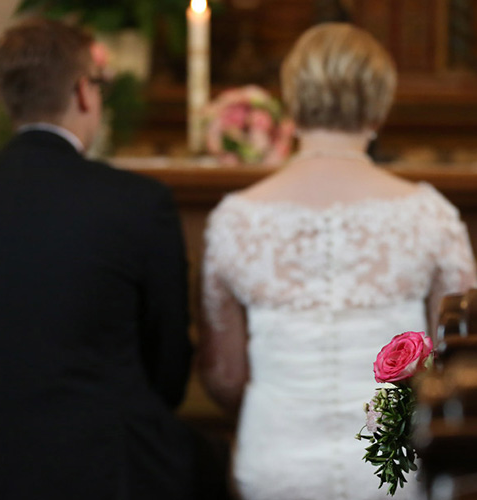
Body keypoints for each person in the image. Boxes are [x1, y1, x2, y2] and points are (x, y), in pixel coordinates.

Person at [199, 22, 477, 500]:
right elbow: (457, 360)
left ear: (292, 99)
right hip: (393, 465)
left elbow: (225, 378)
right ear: (379, 104)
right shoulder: (429, 215)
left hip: (276, 459)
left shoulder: (236, 220)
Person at [0, 17, 201, 500]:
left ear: (3, 96)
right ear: (84, 92)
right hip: (102, 469)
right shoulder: (138, 202)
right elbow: (168, 366)